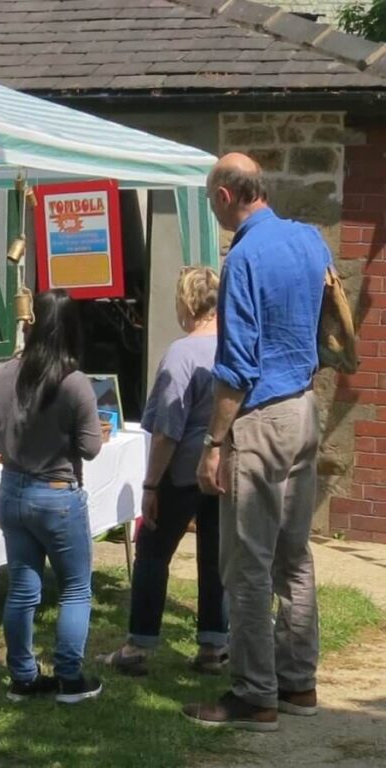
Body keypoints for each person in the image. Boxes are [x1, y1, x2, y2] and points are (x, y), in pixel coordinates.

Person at [183, 154, 329, 731]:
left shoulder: (241, 256)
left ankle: (254, 695)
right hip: (304, 408)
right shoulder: (310, 239)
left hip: (261, 417)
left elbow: (237, 365)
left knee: (247, 564)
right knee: (295, 557)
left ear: (224, 197)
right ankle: (298, 684)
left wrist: (214, 443)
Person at [97, 267, 228, 676]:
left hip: (181, 471)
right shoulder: (235, 347)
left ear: (187, 303)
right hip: (224, 469)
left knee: (152, 551)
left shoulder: (182, 353)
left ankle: (138, 646)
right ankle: (212, 645)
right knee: (215, 557)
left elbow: (168, 429)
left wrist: (150, 483)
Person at [0, 289, 103, 704]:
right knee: (74, 588)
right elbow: (90, 447)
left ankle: (23, 677)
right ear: (72, 330)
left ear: (32, 326)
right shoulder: (74, 383)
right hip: (56, 492)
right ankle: (69, 677)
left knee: (22, 588)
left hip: (13, 489)